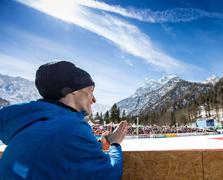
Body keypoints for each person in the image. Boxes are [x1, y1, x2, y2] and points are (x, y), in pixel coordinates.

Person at [0, 61, 128, 179]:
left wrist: (100, 144)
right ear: (74, 91)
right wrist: (115, 143)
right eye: (91, 91)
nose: (94, 99)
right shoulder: (72, 127)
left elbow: (56, 145)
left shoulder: (34, 119)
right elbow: (109, 174)